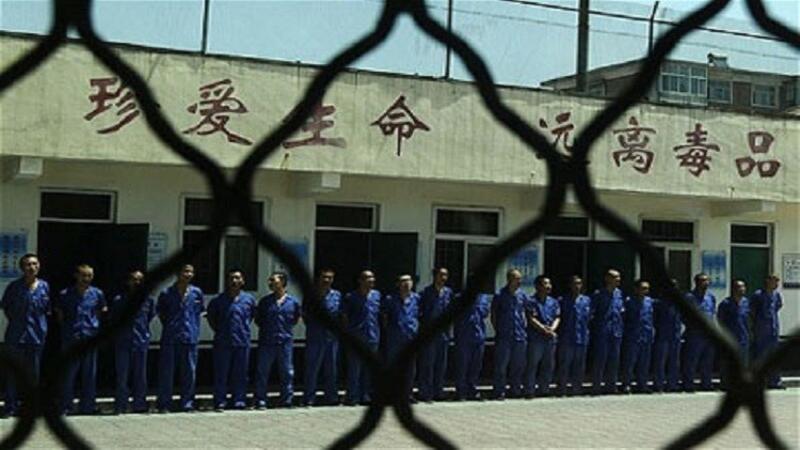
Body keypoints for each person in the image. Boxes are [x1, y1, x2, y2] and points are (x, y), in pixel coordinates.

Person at [1, 254, 50, 417]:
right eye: (28, 264)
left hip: (36, 336)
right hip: (16, 336)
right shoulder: (14, 287)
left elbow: (46, 309)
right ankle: (10, 406)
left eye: (35, 264)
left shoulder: (44, 286)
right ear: (22, 268)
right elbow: (7, 308)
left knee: (33, 374)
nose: (32, 267)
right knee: (13, 373)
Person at [56, 264, 107, 415]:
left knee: (89, 373)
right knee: (69, 373)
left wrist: (93, 326)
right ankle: (66, 406)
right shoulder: (65, 294)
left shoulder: (97, 293)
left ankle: (88, 406)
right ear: (76, 276)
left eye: (89, 275)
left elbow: (101, 311)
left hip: (89, 337)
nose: (86, 279)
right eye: (84, 275)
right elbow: (59, 314)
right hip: (71, 337)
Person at [156, 264, 205, 413]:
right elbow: (162, 314)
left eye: (191, 272)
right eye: (185, 271)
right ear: (178, 273)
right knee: (167, 372)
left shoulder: (197, 293)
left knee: (189, 372)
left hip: (190, 338)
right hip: (171, 338)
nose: (188, 274)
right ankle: (164, 404)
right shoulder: (166, 293)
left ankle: (187, 403)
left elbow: (199, 312)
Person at [206, 270, 256, 411]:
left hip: (242, 341)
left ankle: (239, 400)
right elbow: (212, 319)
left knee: (241, 374)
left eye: (237, 278)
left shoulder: (249, 300)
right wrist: (220, 331)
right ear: (227, 281)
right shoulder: (218, 300)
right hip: (223, 342)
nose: (234, 281)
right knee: (221, 374)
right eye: (232, 278)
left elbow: (252, 316)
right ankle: (220, 401)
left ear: (243, 281)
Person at [110, 270, 155, 414]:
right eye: (134, 279)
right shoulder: (119, 300)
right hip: (123, 342)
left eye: (140, 280)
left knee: (140, 376)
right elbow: (114, 320)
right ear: (128, 282)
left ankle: (139, 405)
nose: (137, 283)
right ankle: (121, 405)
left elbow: (150, 316)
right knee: (122, 377)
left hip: (140, 341)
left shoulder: (148, 300)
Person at [254, 272, 300, 409]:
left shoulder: (293, 302)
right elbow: (258, 320)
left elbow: (295, 319)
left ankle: (287, 399)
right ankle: (260, 400)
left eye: (273, 280)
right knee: (262, 372)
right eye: (270, 281)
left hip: (285, 342)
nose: (270, 283)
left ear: (282, 283)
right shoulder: (265, 302)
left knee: (287, 372)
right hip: (267, 341)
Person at [341, 270, 382, 406]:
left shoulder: (377, 295)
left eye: (372, 278)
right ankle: (352, 397)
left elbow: (381, 316)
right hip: (356, 337)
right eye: (367, 278)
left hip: (372, 337)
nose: (371, 280)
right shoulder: (351, 297)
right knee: (354, 368)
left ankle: (365, 396)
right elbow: (345, 317)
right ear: (360, 280)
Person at [303, 268, 342, 407]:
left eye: (330, 278)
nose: (327, 280)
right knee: (312, 369)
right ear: (319, 279)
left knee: (331, 369)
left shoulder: (337, 295)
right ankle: (309, 398)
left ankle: (332, 397)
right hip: (315, 336)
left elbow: (340, 315)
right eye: (324, 277)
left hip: (331, 338)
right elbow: (305, 315)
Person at [382, 274, 421, 402]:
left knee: (410, 368)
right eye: (403, 281)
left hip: (411, 337)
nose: (406, 283)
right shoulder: (390, 299)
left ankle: (408, 394)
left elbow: (419, 315)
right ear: (398, 284)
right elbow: (385, 318)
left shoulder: (417, 298)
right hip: (395, 338)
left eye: (409, 281)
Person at [417, 267, 453, 402]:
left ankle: (438, 392)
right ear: (435, 276)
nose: (443, 278)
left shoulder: (448, 293)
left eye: (445, 275)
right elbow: (420, 313)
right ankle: (425, 393)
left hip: (443, 334)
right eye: (441, 275)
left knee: (441, 365)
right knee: (428, 364)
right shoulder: (426, 293)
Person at [491, 269, 528, 400]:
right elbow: (494, 315)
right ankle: (499, 391)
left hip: (519, 336)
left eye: (520, 279)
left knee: (518, 366)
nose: (519, 281)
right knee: (501, 366)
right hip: (504, 337)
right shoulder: (500, 295)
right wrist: (498, 330)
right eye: (517, 279)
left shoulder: (522, 295)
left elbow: (525, 312)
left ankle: (515, 390)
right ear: (509, 279)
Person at [590, 269, 625, 395]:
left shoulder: (619, 294)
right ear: (607, 279)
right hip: (602, 331)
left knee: (614, 360)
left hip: (616, 331)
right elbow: (592, 313)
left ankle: (611, 386)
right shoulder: (598, 294)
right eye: (615, 277)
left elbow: (621, 311)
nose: (618, 279)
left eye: (619, 277)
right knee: (600, 359)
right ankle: (596, 386)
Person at [523, 275, 560, 398]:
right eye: (545, 284)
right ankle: (529, 390)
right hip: (536, 337)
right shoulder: (531, 301)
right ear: (537, 286)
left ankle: (544, 389)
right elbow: (531, 318)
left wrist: (552, 329)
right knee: (532, 364)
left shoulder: (553, 302)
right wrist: (543, 329)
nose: (548, 286)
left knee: (548, 365)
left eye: (549, 284)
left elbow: (557, 317)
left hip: (550, 337)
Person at [556, 275, 592, 396]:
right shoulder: (562, 300)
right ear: (570, 285)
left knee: (579, 365)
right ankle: (562, 389)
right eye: (575, 283)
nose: (577, 286)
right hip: (567, 338)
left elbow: (590, 318)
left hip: (582, 337)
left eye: (579, 283)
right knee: (564, 365)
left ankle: (577, 389)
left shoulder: (587, 300)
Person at [453, 291, 491, 401]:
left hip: (478, 335)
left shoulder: (483, 297)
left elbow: (485, 313)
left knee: (476, 366)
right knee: (462, 365)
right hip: (464, 336)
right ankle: (460, 392)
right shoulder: (459, 297)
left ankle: (472, 390)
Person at [682, 273, 717, 392]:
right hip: (695, 333)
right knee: (692, 360)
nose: (706, 283)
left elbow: (712, 313)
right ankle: (688, 384)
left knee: (708, 360)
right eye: (703, 281)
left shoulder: (711, 297)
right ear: (696, 282)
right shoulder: (689, 297)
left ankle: (706, 383)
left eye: (707, 281)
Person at [621, 279, 655, 394]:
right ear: (636, 289)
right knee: (630, 362)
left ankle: (642, 384)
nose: (646, 291)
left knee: (644, 362)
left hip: (646, 335)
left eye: (647, 289)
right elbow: (624, 318)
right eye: (643, 288)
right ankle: (627, 384)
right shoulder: (629, 301)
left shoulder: (649, 301)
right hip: (633, 335)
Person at [750, 274, 784, 389]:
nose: (776, 284)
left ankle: (775, 381)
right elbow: (752, 311)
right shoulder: (758, 295)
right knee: (761, 357)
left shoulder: (776, 295)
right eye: (774, 281)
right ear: (767, 281)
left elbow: (778, 306)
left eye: (777, 281)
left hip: (773, 330)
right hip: (761, 331)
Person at [717, 279, 750, 389]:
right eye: (739, 287)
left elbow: (749, 320)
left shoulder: (746, 303)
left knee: (743, 363)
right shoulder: (725, 304)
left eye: (743, 287)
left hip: (743, 337)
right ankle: (725, 384)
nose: (742, 289)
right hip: (730, 338)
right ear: (733, 289)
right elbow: (720, 320)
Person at [652, 279, 683, 393]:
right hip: (662, 335)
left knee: (674, 361)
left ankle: (672, 384)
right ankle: (659, 384)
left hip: (675, 335)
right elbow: (654, 319)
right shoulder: (659, 303)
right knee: (660, 361)